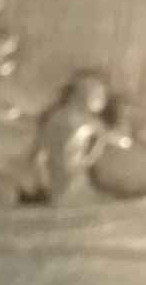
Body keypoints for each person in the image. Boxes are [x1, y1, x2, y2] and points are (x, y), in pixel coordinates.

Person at [35, 72, 133, 203]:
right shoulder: (84, 120)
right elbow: (123, 141)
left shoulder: (56, 117)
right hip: (74, 180)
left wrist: (44, 182)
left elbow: (40, 155)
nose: (103, 101)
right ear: (88, 96)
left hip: (55, 181)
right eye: (100, 96)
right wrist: (122, 115)